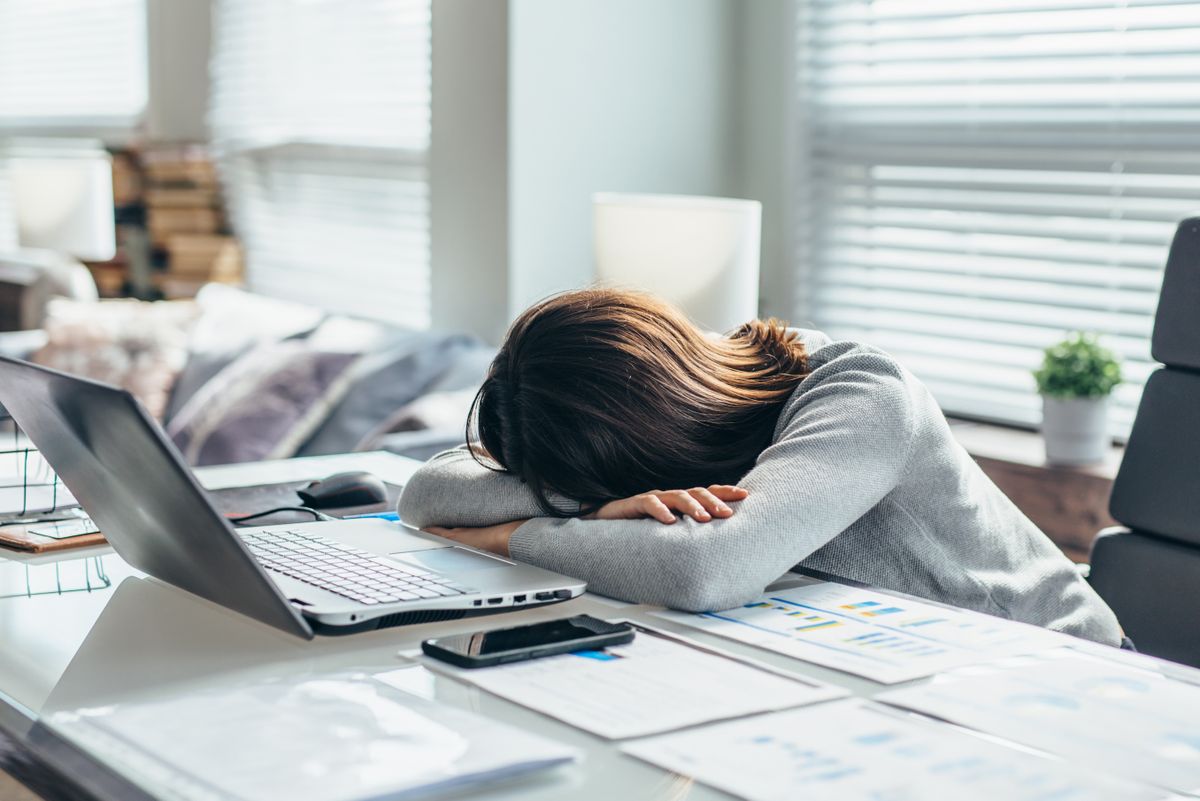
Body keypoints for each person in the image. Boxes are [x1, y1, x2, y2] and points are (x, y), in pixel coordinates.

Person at [398, 288, 1123, 645]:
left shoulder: (861, 392)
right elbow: (426, 490)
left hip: (1057, 667)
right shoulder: (658, 422)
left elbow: (705, 570)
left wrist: (504, 536)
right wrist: (586, 510)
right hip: (873, 648)